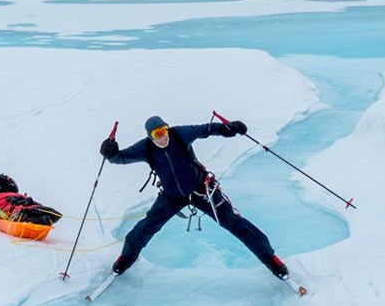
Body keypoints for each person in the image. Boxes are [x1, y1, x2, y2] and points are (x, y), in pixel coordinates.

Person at [100, 116, 290, 279]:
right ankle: (125, 260)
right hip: (172, 196)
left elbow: (206, 129)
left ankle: (272, 260)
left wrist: (227, 129)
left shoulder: (179, 134)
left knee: (233, 222)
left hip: (201, 189)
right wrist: (110, 152)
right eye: (157, 134)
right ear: (150, 136)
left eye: (164, 131)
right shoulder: (146, 148)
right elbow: (120, 158)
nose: (163, 137)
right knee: (144, 228)